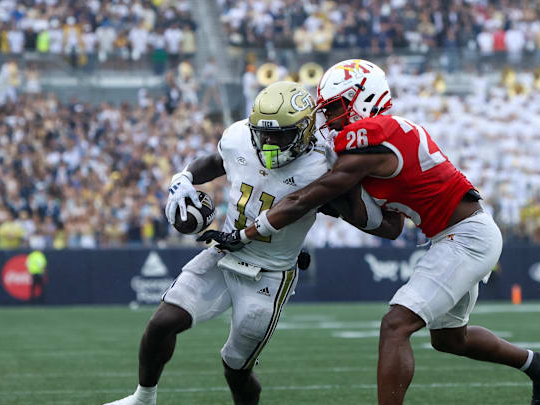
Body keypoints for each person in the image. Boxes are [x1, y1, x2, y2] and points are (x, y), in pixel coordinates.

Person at [203, 60, 540, 405]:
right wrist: (336, 203)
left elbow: (311, 194)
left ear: (363, 98)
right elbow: (391, 227)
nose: (328, 119)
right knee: (449, 339)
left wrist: (253, 230)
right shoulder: (380, 139)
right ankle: (539, 364)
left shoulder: (373, 133)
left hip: (466, 236)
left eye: (334, 108)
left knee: (395, 325)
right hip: (455, 234)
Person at [105, 81, 398, 405]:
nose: (269, 142)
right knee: (162, 322)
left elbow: (375, 223)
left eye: (280, 134)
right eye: (263, 132)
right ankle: (143, 399)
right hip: (224, 252)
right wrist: (183, 178)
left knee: (236, 368)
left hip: (270, 274)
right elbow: (215, 163)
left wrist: (349, 197)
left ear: (303, 131)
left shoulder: (322, 164)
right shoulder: (239, 138)